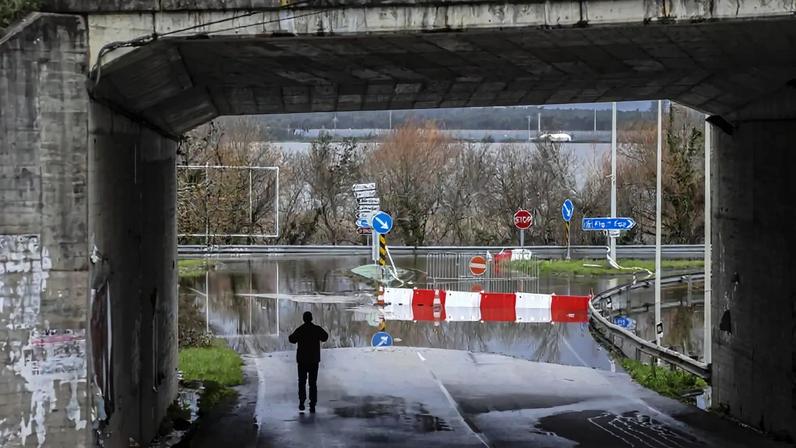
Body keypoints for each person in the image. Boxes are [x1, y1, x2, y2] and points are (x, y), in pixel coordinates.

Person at [288, 311, 328, 413]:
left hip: (302, 360)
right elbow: (325, 337)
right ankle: (312, 404)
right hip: (314, 360)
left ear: (303, 319)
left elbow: (291, 339)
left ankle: (302, 402)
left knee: (302, 382)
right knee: (312, 383)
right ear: (311, 318)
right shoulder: (316, 329)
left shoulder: (300, 330)